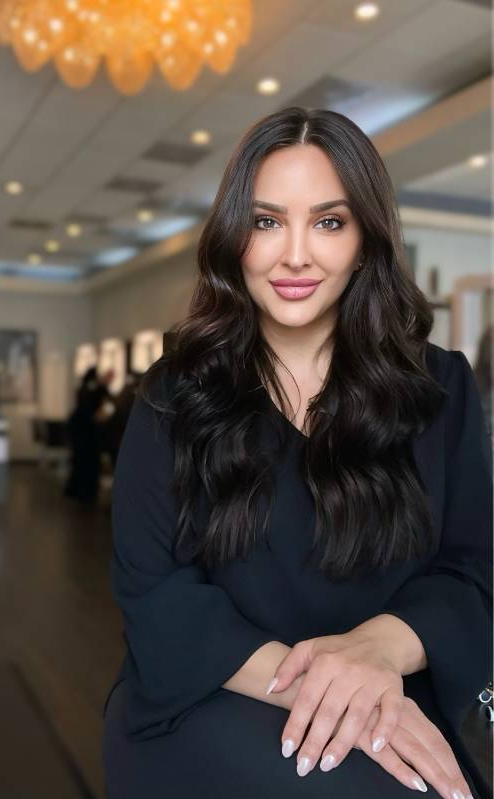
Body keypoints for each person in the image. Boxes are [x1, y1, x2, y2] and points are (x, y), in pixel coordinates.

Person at [102, 107, 493, 799]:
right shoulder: (174, 393)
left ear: (368, 238)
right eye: (266, 221)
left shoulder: (441, 388)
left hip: (391, 688)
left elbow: (474, 568)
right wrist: (332, 683)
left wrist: (377, 651)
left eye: (329, 222)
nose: (295, 255)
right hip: (209, 693)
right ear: (234, 238)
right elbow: (154, 590)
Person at [63, 366, 114, 504]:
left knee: (81, 461)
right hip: (87, 432)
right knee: (88, 462)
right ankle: (87, 492)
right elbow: (103, 409)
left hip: (80, 430)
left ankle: (80, 491)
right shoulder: (96, 389)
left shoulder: (84, 388)